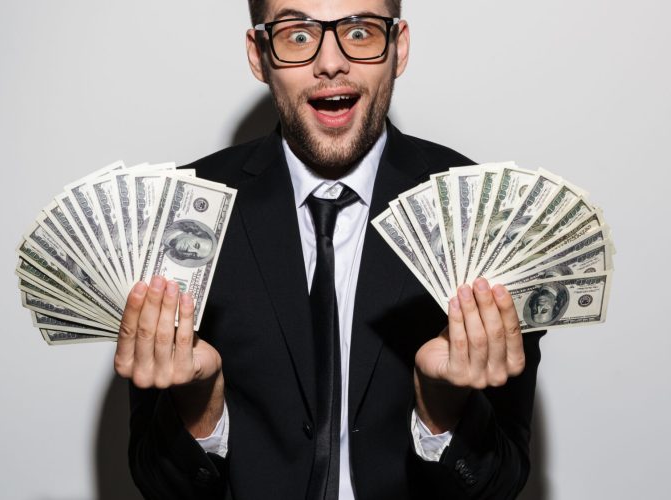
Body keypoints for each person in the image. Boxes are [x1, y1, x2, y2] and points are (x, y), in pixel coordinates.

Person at [113, 1, 545, 498]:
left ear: (398, 47)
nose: (331, 61)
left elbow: (503, 480)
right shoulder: (184, 215)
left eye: (360, 32)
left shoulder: (484, 216)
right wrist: (198, 406)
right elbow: (158, 482)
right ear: (259, 54)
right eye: (297, 35)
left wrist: (442, 412)